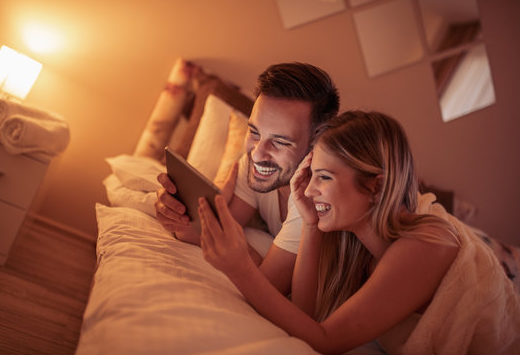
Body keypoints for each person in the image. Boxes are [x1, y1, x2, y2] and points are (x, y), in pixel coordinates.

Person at [198, 111, 520, 354]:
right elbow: (305, 315)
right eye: (312, 176)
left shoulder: (426, 243)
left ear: (376, 186)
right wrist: (310, 225)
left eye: (323, 177)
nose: (309, 190)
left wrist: (239, 268)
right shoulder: (355, 240)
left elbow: (324, 340)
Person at [155, 62, 340, 295]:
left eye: (280, 142)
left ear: (317, 141)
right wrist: (175, 213)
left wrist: (241, 249)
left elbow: (268, 289)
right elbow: (204, 232)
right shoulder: (254, 164)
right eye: (254, 133)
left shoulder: (314, 198)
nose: (257, 153)